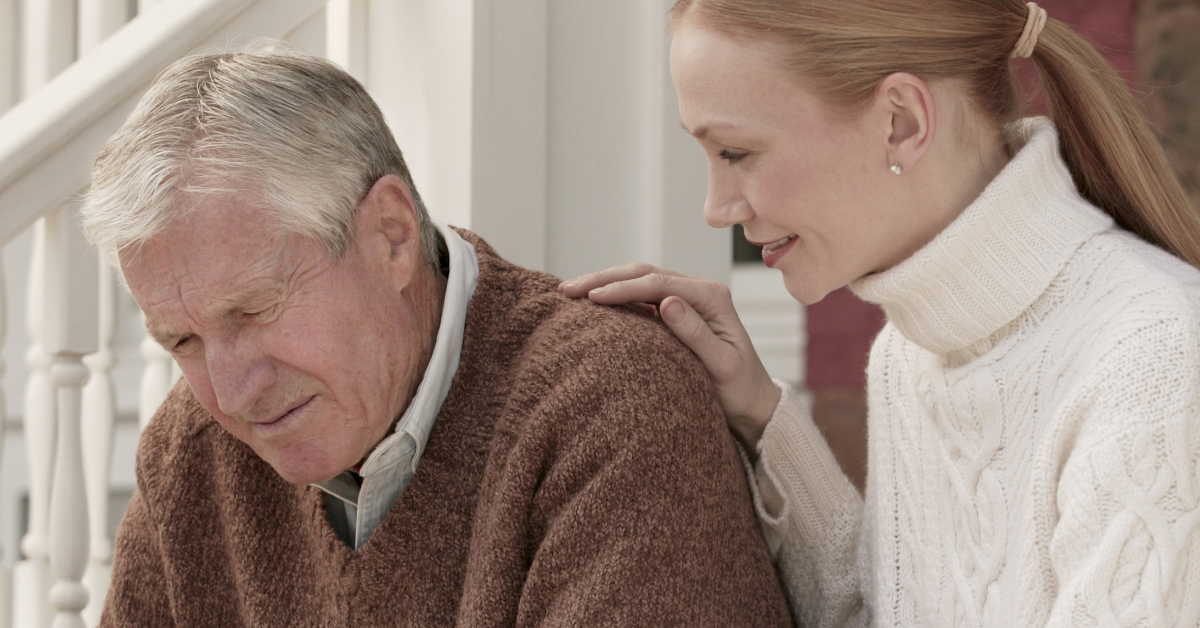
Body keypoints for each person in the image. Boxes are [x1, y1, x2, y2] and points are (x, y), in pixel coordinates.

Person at [82, 46, 792, 626]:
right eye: (181, 342)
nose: (232, 393)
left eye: (254, 310)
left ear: (391, 234)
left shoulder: (612, 406)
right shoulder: (191, 456)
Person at [562, 1, 1200, 626]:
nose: (716, 206)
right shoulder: (911, 353)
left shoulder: (1157, 359)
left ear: (901, 121)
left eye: (735, 152)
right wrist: (760, 413)